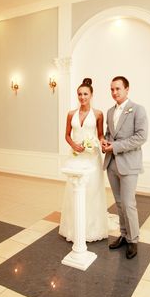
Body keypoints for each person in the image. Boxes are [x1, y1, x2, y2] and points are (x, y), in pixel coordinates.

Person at [101, 76, 148, 259]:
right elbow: (109, 133)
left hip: (129, 164)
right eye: (112, 89)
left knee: (129, 204)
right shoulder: (110, 111)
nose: (114, 92)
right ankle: (123, 235)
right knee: (119, 204)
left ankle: (133, 240)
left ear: (127, 89)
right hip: (112, 163)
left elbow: (141, 137)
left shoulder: (138, 110)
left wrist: (116, 147)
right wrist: (105, 142)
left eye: (118, 89)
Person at [59, 78, 108, 242]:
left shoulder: (98, 114)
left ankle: (92, 228)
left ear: (91, 95)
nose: (82, 97)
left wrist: (100, 143)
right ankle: (73, 228)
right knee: (74, 191)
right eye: (79, 94)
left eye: (85, 94)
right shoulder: (71, 114)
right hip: (75, 157)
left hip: (91, 157)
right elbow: (67, 135)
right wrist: (73, 145)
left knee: (92, 191)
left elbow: (100, 134)